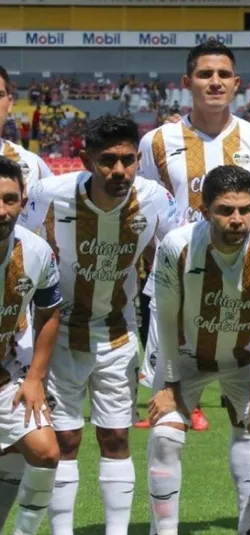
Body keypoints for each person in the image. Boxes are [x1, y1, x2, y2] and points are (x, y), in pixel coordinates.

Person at [136, 38, 250, 535]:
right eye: (205, 74)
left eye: (224, 73)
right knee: (168, 424)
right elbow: (143, 215)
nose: (215, 82)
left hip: (240, 296)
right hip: (175, 295)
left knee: (248, 418)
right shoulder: (155, 143)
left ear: (237, 83)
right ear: (188, 82)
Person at [19, 114, 180, 535]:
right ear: (86, 160)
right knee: (65, 440)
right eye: (108, 160)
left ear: (138, 158)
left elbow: (182, 248)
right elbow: (17, 247)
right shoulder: (50, 194)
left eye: (128, 160)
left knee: (116, 437)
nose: (119, 170)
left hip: (118, 332)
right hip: (59, 335)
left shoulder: (156, 199)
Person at [146, 164, 250, 535]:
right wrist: (169, 383)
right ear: (204, 211)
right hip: (184, 357)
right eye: (225, 210)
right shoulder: (177, 246)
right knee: (165, 437)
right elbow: (165, 316)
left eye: (246, 209)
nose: (237, 219)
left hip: (243, 359)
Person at [0, 64, 55, 524]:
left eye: (9, 200)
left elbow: (49, 305)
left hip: (9, 362)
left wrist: (34, 375)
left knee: (41, 450)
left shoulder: (30, 163)